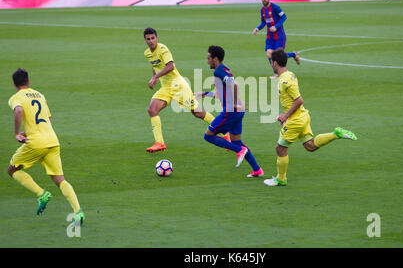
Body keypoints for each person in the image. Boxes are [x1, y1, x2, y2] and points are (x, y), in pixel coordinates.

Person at [263, 49, 357, 187]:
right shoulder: (290, 74)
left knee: (280, 149)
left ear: (275, 63)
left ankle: (281, 179)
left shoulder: (285, 81)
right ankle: (336, 134)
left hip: (295, 120)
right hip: (302, 117)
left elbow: (299, 100)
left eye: (271, 62)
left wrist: (285, 116)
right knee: (310, 146)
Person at [7, 69, 85, 224]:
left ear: (14, 84)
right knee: (60, 180)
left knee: (12, 170)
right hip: (52, 140)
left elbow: (19, 110)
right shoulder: (40, 95)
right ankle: (78, 212)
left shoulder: (16, 98)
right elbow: (47, 120)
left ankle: (41, 194)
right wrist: (28, 131)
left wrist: (17, 133)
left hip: (35, 142)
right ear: (28, 81)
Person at [143, 27, 225, 152]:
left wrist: (155, 77)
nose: (150, 41)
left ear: (157, 38)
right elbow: (155, 65)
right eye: (148, 39)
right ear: (145, 40)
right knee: (152, 110)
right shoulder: (147, 53)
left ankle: (224, 132)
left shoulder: (163, 49)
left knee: (197, 113)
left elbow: (170, 66)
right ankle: (159, 143)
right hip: (166, 88)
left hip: (178, 86)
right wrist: (154, 77)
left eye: (152, 38)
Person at [198, 45, 264, 177]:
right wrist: (205, 94)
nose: (207, 61)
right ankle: (257, 169)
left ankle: (240, 150)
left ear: (215, 59)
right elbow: (221, 93)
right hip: (238, 111)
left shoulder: (218, 72)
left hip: (231, 111)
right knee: (236, 141)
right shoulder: (224, 69)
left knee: (208, 136)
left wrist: (233, 104)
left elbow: (234, 84)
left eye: (209, 58)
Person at [252, 0, 301, 78]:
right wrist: (257, 28)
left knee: (278, 56)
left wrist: (276, 26)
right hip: (269, 37)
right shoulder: (262, 10)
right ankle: (276, 73)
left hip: (279, 36)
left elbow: (284, 17)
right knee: (269, 53)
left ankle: (294, 54)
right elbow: (263, 22)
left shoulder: (275, 7)